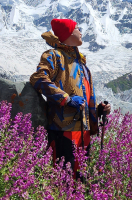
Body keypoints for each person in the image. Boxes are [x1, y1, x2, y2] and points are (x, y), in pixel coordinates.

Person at [30, 18, 111, 178]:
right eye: (77, 28)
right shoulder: (53, 56)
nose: (81, 31)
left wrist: (99, 110)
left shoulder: (81, 64)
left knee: (80, 181)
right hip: (63, 131)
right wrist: (66, 99)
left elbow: (84, 97)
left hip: (84, 132)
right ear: (67, 32)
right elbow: (38, 78)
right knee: (64, 182)